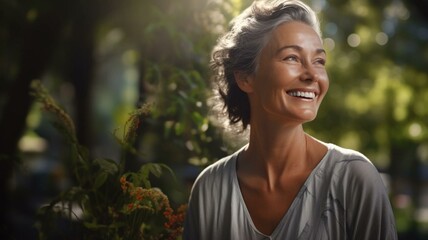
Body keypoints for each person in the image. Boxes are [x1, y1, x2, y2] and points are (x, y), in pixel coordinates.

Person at [183, 0, 398, 239]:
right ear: (245, 77)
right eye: (292, 58)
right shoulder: (209, 189)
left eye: (319, 61)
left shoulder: (354, 178)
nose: (312, 75)